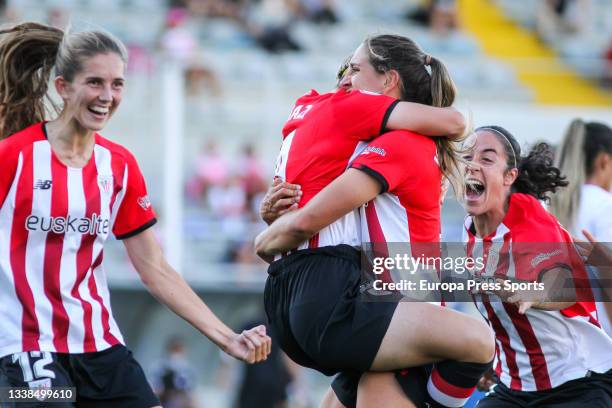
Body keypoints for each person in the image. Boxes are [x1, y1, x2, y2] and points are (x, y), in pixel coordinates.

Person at [0, 22, 270, 408]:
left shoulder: (120, 167)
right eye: (95, 82)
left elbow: (155, 268)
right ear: (63, 87)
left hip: (101, 348)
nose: (107, 96)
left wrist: (228, 339)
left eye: (117, 84)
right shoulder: (13, 157)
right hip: (25, 349)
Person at [255, 34, 496, 408]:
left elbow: (310, 211)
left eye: (353, 69)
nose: (344, 80)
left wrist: (269, 234)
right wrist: (275, 223)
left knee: (479, 340)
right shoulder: (388, 140)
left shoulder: (393, 141)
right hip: (371, 305)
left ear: (389, 80)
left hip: (384, 306)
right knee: (479, 341)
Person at [353, 126, 612, 407]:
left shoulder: (528, 217)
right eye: (466, 156)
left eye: (487, 159)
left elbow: (564, 288)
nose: (473, 164)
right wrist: (505, 355)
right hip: (515, 388)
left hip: (577, 385)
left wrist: (532, 293)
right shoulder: (468, 231)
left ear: (509, 177)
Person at [549, 119, 612, 335]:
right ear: (604, 161)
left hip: (560, 337)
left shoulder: (548, 203)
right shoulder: (605, 205)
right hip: (601, 341)